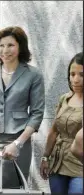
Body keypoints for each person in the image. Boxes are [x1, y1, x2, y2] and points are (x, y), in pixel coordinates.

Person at [0, 26, 45, 189]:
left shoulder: (33, 75)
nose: (5, 50)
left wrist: (18, 143)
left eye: (10, 45)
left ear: (20, 47)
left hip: (19, 140)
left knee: (11, 188)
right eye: (1, 46)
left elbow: (37, 114)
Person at [40, 52, 83, 194]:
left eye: (81, 75)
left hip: (79, 164)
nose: (75, 79)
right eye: (72, 74)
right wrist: (45, 157)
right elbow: (54, 131)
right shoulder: (64, 98)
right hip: (58, 162)